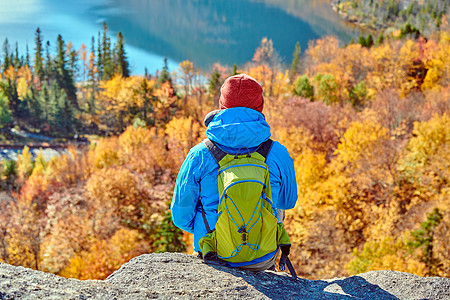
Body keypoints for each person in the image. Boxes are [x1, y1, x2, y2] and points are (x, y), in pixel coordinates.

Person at [171, 73, 298, 268]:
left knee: (202, 201)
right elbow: (288, 202)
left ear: (222, 106)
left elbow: (180, 217)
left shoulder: (200, 154)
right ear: (259, 108)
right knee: (274, 198)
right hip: (263, 257)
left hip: (213, 256)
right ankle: (260, 245)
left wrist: (214, 227)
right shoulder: (277, 152)